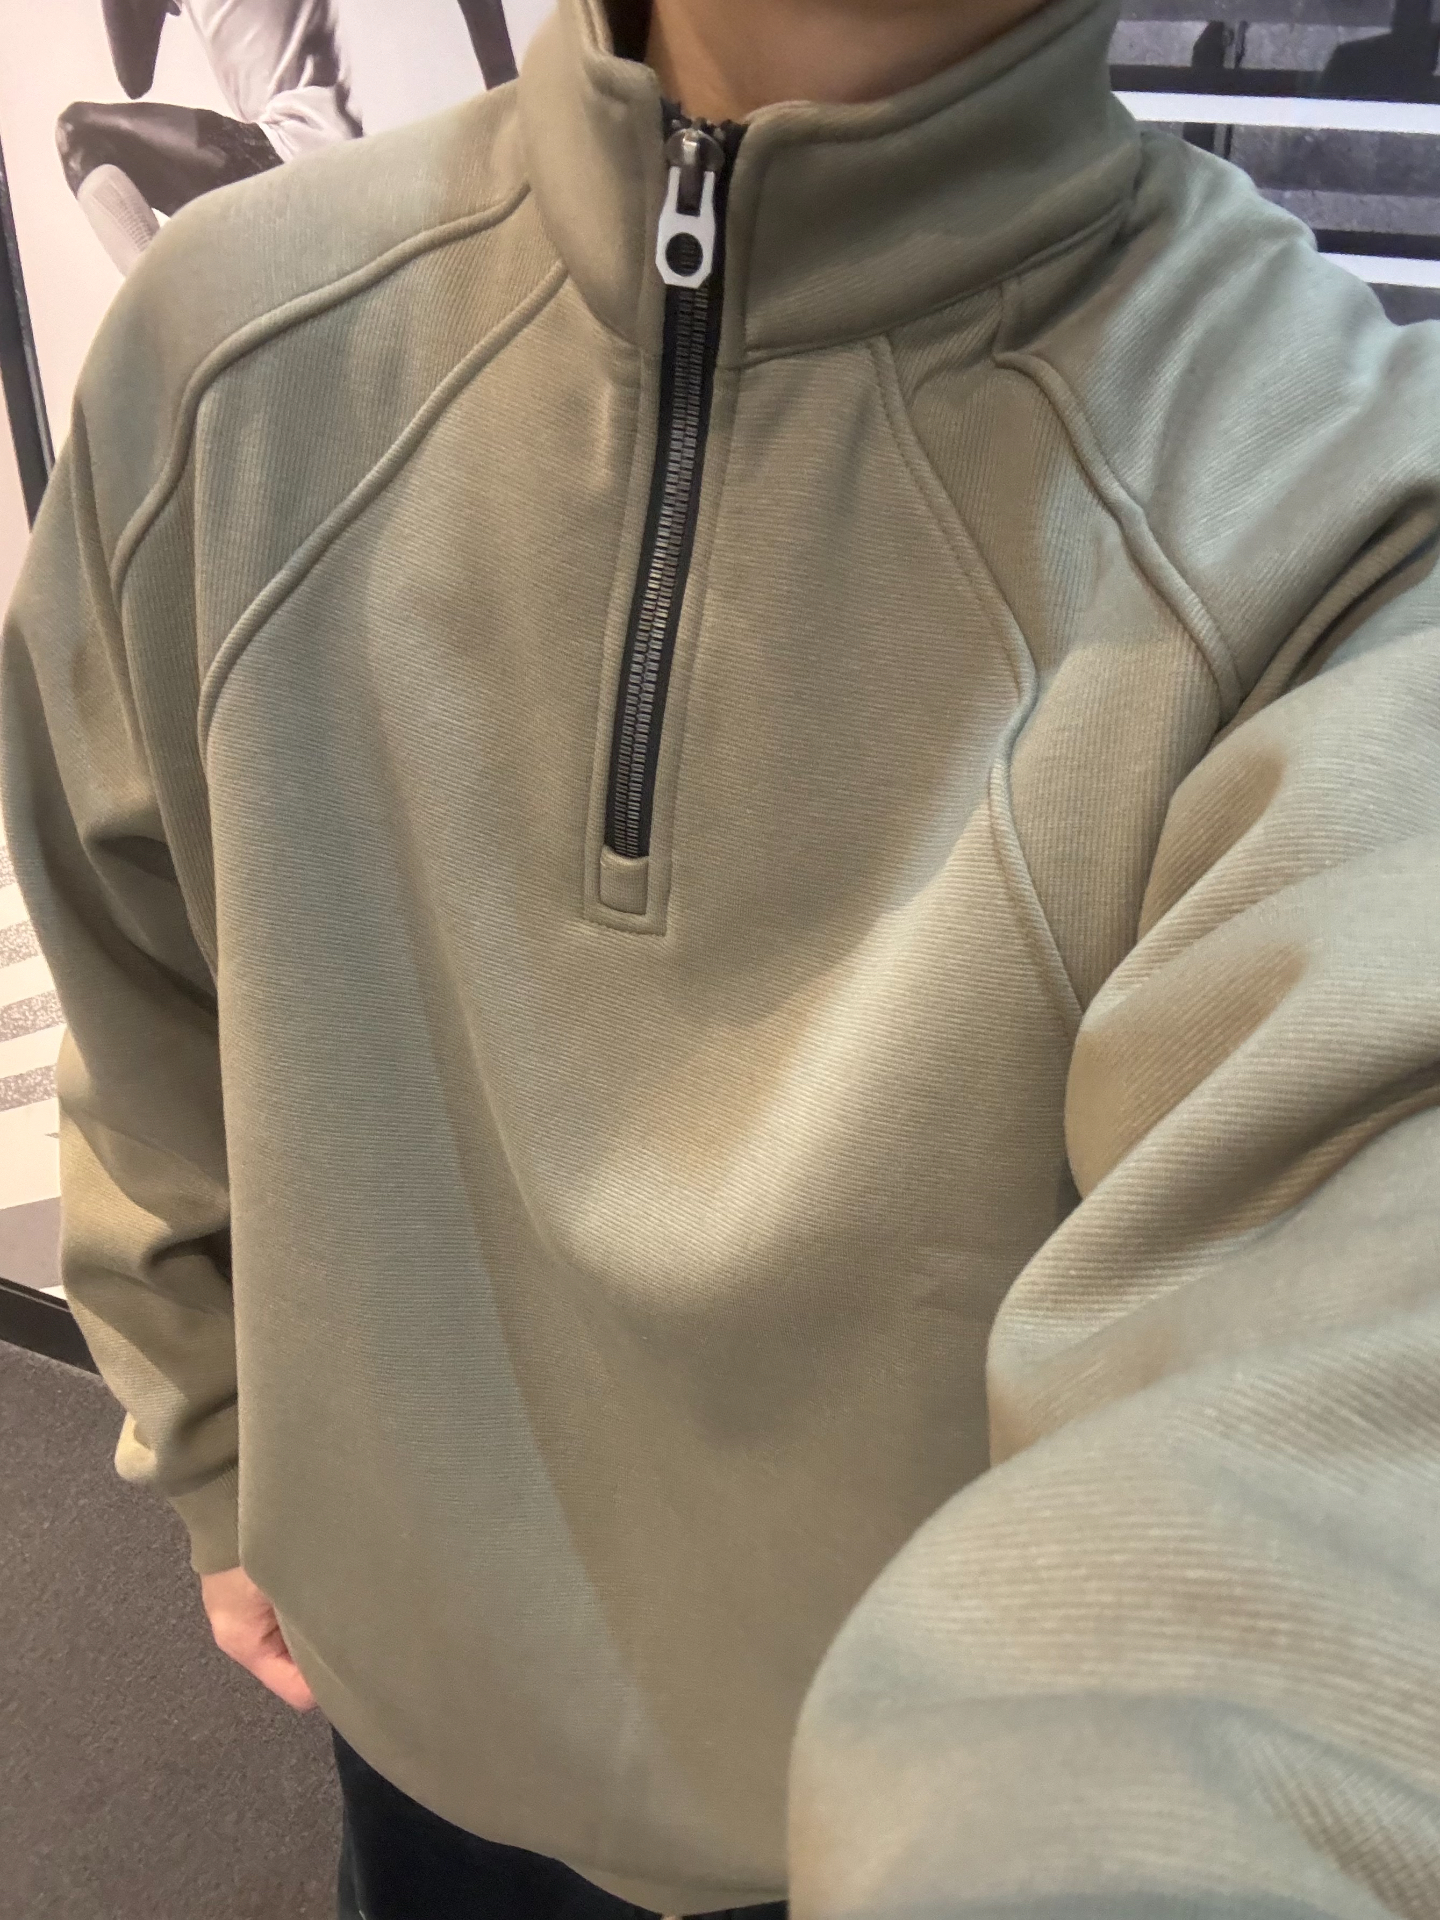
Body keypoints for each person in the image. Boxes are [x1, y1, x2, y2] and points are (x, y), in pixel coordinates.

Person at [4, 0, 1440, 1914]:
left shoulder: (1347, 527)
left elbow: (1338, 1434)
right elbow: (136, 984)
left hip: (868, 1847)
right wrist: (211, 1444)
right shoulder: (226, 356)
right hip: (412, 1736)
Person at [58, 0, 364, 275]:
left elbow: (133, 74)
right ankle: (170, 299)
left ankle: (166, 305)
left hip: (297, 153)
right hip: (317, 153)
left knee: (81, 133)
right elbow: (134, 76)